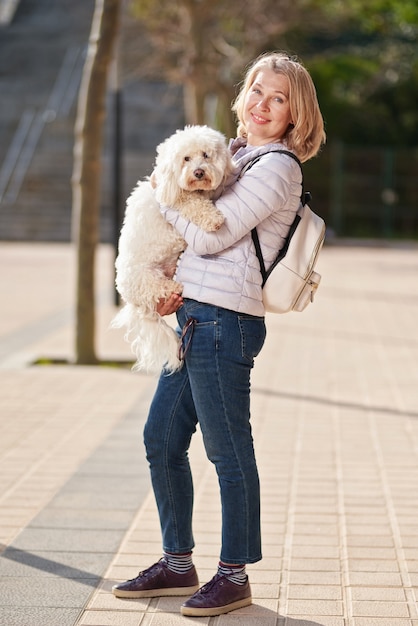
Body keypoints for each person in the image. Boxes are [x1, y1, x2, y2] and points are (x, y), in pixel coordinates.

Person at [112, 51, 326, 617]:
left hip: (224, 324)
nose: (262, 104)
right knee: (160, 440)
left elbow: (212, 236)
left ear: (294, 114)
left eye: (278, 98)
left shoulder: (277, 167)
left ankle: (234, 574)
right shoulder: (234, 154)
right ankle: (177, 564)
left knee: (227, 451)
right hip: (191, 321)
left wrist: (165, 191)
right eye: (257, 90)